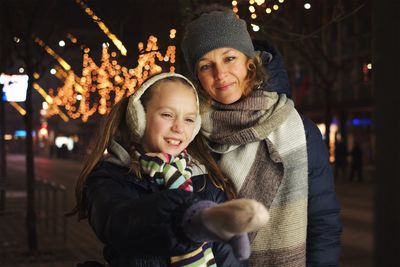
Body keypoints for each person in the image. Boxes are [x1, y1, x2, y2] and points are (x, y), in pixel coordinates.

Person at [181, 6, 342, 266]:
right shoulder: (188, 133)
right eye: (206, 66)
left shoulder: (300, 130)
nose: (220, 74)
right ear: (197, 77)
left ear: (250, 61)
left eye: (229, 58)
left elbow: (323, 223)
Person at [70, 72, 269, 267]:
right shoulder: (111, 178)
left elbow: (229, 259)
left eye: (189, 119)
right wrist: (188, 219)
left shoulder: (207, 181)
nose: (179, 127)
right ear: (138, 118)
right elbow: (120, 224)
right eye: (167, 115)